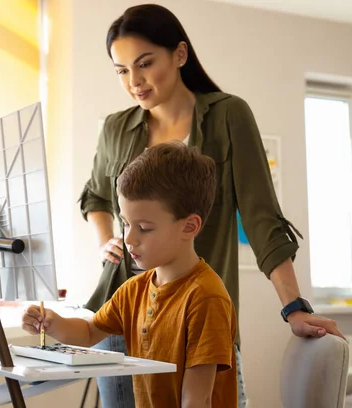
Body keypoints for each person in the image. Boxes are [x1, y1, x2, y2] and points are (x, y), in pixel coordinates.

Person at [78, 4, 346, 408]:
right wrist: (105, 241)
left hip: (197, 316)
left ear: (180, 54)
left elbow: (261, 218)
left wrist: (293, 307)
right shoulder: (117, 128)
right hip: (121, 316)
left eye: (145, 63)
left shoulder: (228, 116)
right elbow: (95, 196)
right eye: (121, 70)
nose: (134, 81)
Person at [24, 142, 237, 407]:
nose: (129, 239)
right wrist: (53, 323)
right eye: (125, 223)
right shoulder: (133, 290)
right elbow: (90, 332)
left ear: (189, 226)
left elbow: (197, 399)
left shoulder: (206, 297)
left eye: (145, 228)